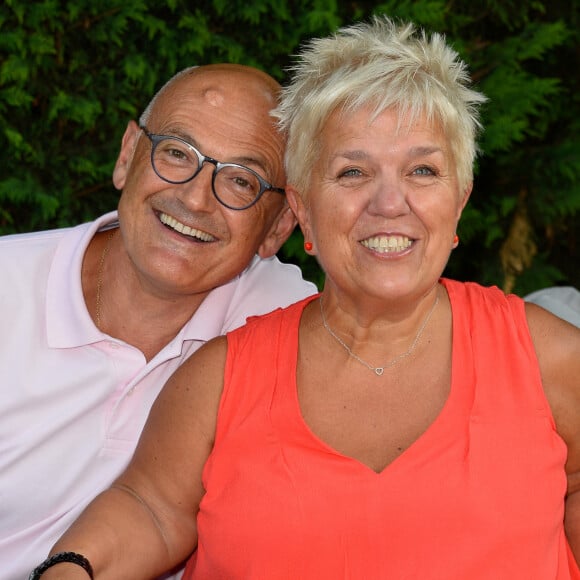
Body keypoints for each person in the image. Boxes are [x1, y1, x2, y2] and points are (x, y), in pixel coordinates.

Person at [29, 17, 580, 580]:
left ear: (458, 202)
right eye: (352, 172)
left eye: (422, 170)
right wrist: (72, 568)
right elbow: (151, 507)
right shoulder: (219, 375)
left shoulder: (548, 358)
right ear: (301, 208)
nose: (390, 202)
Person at [1, 63, 317, 580]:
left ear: (278, 225)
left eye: (240, 181)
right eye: (177, 153)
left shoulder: (282, 319)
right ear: (128, 156)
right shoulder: (6, 290)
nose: (195, 198)